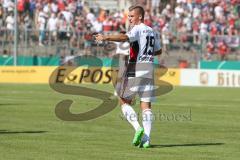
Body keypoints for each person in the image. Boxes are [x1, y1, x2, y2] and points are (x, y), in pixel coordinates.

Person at [95, 5, 161, 148]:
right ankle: (147, 140)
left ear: (140, 17)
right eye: (128, 16)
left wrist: (105, 37)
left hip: (136, 67)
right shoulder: (152, 31)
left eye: (131, 16)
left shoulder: (137, 29)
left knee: (123, 100)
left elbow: (124, 37)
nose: (129, 18)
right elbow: (158, 50)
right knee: (146, 105)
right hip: (149, 67)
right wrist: (145, 53)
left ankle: (138, 128)